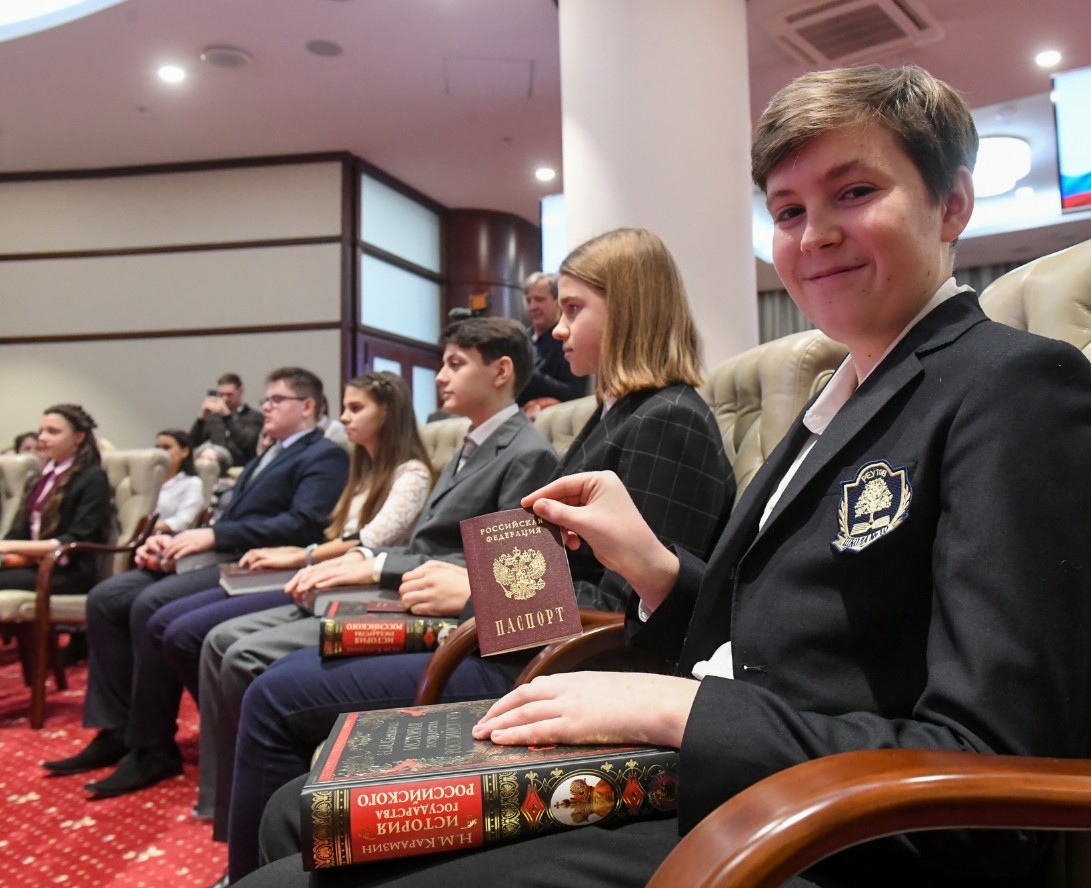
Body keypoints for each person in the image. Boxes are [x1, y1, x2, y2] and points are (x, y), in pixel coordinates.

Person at [238, 65, 1091, 888]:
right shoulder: (837, 395)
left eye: (854, 193)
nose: (813, 235)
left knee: (294, 821)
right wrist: (659, 572)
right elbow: (786, 624)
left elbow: (986, 759)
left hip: (818, 830)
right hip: (728, 767)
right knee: (297, 811)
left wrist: (670, 709)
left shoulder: (1010, 384)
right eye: (786, 210)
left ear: (951, 203)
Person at [226, 228, 736, 882]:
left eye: (574, 309)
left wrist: (474, 593)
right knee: (284, 734)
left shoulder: (667, 419)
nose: (557, 330)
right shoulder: (618, 414)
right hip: (523, 644)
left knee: (274, 699)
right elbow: (555, 568)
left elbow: (638, 614)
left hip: (559, 667)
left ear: (631, 309)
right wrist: (472, 589)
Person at [191, 318, 556, 862]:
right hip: (416, 590)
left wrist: (375, 564)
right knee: (252, 655)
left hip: (444, 612)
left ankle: (253, 857)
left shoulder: (525, 452)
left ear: (501, 371)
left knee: (261, 671)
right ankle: (252, 841)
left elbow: (504, 569)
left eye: (455, 364)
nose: (440, 376)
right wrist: (367, 561)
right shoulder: (472, 442)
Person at [42, 366, 349, 799]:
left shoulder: (325, 455)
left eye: (277, 400)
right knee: (107, 597)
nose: (266, 407)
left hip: (259, 562)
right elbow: (229, 516)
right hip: (222, 550)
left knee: (150, 604)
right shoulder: (269, 453)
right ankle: (116, 729)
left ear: (308, 406)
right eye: (266, 399)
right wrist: (175, 541)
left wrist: (214, 536)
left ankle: (152, 746)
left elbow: (302, 524)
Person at [156, 370, 436, 817]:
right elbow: (336, 535)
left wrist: (301, 555)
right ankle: (225, 791)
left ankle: (239, 792)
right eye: (344, 408)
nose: (344, 418)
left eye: (356, 408)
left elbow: (370, 541)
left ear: (388, 412)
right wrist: (302, 557)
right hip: (329, 577)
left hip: (364, 587)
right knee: (210, 639)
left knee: (226, 645)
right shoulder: (362, 470)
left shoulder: (411, 472)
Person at [0, 405, 111, 596]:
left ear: (78, 437)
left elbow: (77, 539)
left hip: (67, 571)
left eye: (53, 432)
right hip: (33, 564)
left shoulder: (92, 478)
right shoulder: (40, 478)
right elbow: (19, 531)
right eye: (41, 431)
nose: (42, 438)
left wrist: (9, 546)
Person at [516, 271, 587, 417]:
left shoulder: (568, 339)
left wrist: (527, 375)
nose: (532, 307)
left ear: (557, 302)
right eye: (528, 301)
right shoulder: (520, 339)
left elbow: (574, 393)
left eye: (539, 299)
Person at [189, 373, 264, 467]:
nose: (225, 399)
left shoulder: (255, 416)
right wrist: (201, 419)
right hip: (216, 468)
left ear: (241, 391)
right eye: (221, 395)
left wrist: (227, 417)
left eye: (229, 395)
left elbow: (250, 443)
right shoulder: (214, 418)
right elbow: (191, 444)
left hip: (243, 467)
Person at [152, 429, 206, 534]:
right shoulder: (147, 481)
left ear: (184, 452)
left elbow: (183, 520)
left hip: (166, 536)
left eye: (166, 448)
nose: (160, 453)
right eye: (157, 448)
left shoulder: (191, 483)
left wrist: (149, 528)